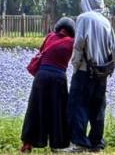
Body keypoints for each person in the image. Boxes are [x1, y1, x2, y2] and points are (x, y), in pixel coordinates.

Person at [65, 0, 115, 152]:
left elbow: (79, 43)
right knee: (98, 107)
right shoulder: (105, 21)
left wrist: (75, 65)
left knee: (78, 106)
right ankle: (96, 142)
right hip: (101, 73)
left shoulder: (84, 18)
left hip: (84, 70)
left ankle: (80, 142)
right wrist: (111, 67)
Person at [20, 17, 76, 153]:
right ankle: (57, 144)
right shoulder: (72, 42)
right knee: (58, 111)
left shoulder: (50, 37)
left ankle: (28, 143)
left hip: (42, 76)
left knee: (35, 109)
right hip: (58, 78)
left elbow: (41, 52)